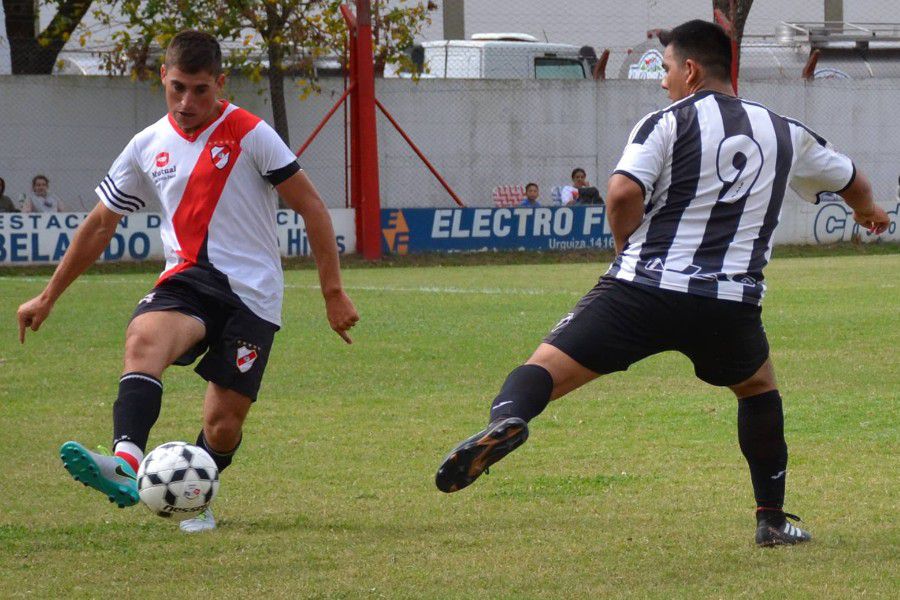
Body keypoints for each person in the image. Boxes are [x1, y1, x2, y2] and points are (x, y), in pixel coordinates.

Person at [434, 19, 889, 548]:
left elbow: (624, 192)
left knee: (543, 370)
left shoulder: (665, 122)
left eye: (666, 68)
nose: (663, 80)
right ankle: (771, 519)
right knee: (758, 388)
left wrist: (625, 248)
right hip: (727, 302)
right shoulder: (786, 130)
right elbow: (853, 181)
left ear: (690, 70)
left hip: (641, 289)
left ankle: (508, 420)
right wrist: (868, 211)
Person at [17, 30, 359, 533]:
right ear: (163, 77)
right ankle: (126, 462)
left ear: (220, 83)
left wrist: (332, 292)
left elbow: (311, 208)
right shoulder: (145, 145)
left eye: (200, 89)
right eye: (178, 87)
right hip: (188, 279)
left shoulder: (250, 133)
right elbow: (99, 225)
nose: (187, 101)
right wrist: (48, 296)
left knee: (223, 426)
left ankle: (194, 493)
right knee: (143, 338)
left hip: (252, 295)